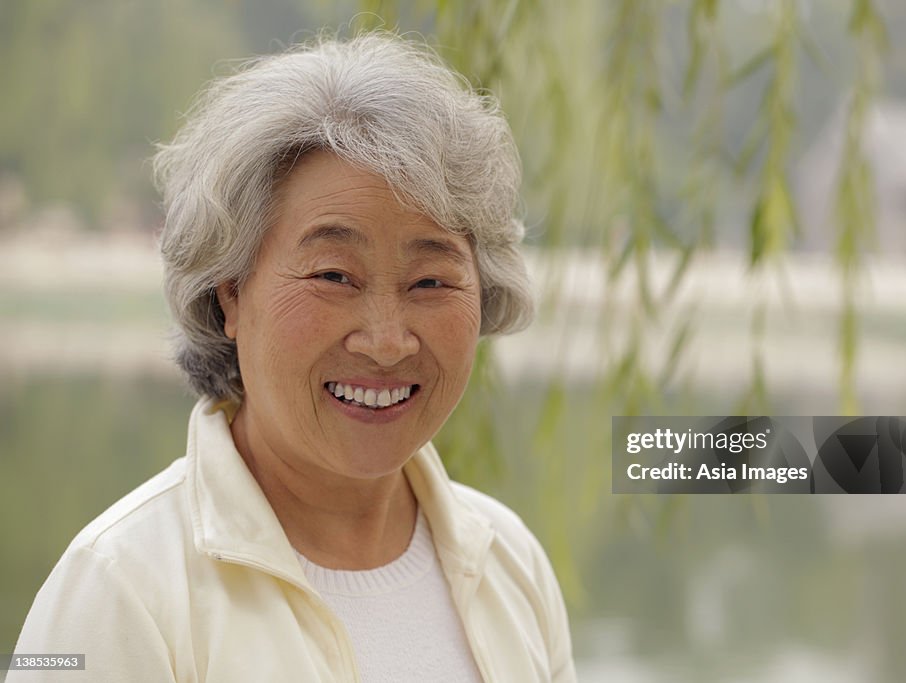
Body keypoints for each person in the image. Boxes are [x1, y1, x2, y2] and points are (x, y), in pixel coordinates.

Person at [11, 32, 576, 682]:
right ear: (231, 292)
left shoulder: (509, 563)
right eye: (334, 275)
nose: (387, 341)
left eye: (429, 281)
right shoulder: (121, 587)